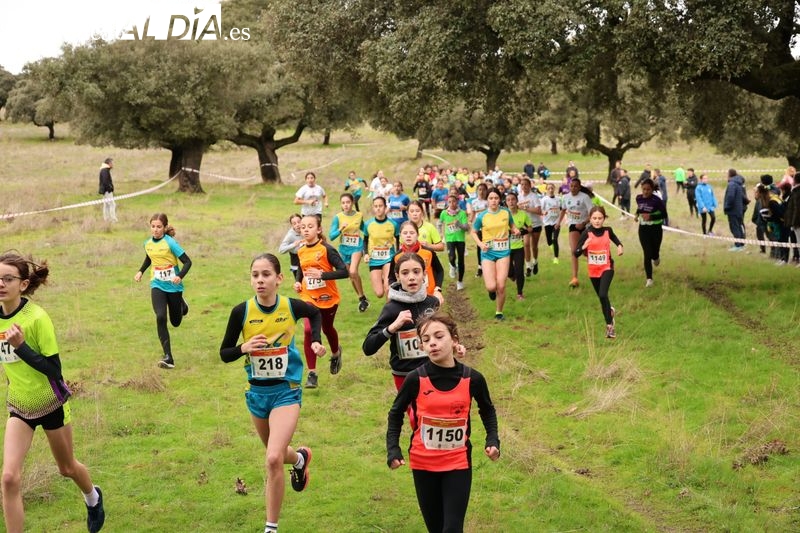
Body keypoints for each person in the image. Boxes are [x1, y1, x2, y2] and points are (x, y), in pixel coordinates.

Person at [0, 252, 105, 533]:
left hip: (51, 403)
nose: (1, 284)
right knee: (9, 478)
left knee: (67, 468)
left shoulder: (37, 318)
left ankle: (93, 497)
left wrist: (21, 347)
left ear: (22, 284)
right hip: (20, 407)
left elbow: (54, 370)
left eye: (7, 278)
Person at [218, 253, 322, 533]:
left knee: (273, 459)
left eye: (266, 274)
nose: (260, 280)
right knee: (276, 453)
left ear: (279, 278)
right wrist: (244, 347)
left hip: (286, 391)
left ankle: (270, 528)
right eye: (255, 275)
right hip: (257, 395)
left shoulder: (290, 306)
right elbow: (224, 353)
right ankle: (299, 459)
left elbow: (314, 312)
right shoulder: (241, 312)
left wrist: (315, 340)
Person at [386, 312, 500, 533]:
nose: (433, 343)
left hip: (457, 462)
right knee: (436, 529)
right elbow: (395, 413)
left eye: (439, 337)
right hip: (423, 462)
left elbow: (488, 410)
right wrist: (393, 449)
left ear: (454, 339)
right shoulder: (415, 379)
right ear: (421, 346)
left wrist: (492, 439)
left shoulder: (473, 378)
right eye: (426, 339)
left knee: (452, 529)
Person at [363, 253, 441, 390]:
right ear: (397, 276)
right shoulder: (391, 309)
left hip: (433, 371)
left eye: (416, 272)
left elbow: (442, 335)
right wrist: (392, 328)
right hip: (405, 376)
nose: (411, 277)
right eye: (405, 273)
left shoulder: (432, 303)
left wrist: (454, 346)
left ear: (424, 274)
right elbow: (368, 348)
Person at [294, 215, 348, 389]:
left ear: (318, 229)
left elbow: (344, 272)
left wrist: (322, 275)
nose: (306, 229)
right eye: (303, 227)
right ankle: (312, 373)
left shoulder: (327, 249)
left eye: (310, 226)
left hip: (328, 298)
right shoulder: (301, 250)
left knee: (327, 328)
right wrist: (297, 281)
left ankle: (335, 353)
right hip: (308, 296)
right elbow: (301, 269)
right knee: (308, 330)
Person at [134, 213, 191, 369]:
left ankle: (182, 305)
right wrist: (140, 271)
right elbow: (150, 258)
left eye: (159, 227)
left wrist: (179, 276)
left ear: (165, 228)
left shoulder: (170, 243)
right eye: (153, 226)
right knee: (160, 316)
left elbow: (187, 262)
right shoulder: (147, 244)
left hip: (174, 286)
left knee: (176, 322)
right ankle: (168, 357)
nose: (155, 230)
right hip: (157, 284)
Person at [574, 207, 624, 338]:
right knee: (603, 299)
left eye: (600, 218)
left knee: (602, 294)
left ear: (604, 218)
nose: (597, 221)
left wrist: (620, 247)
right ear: (590, 219)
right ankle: (610, 311)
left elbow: (617, 241)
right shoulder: (586, 233)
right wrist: (583, 247)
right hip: (593, 270)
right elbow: (576, 253)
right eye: (594, 218)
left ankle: (610, 327)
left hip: (607, 267)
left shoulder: (608, 230)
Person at [471, 188, 520, 320]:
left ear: (500, 199)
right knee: (492, 286)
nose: (493, 201)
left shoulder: (505, 212)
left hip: (503, 252)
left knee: (501, 285)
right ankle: (491, 291)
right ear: (487, 200)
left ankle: (499, 312)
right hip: (488, 253)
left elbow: (512, 225)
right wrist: (481, 244)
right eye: (491, 198)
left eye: (496, 198)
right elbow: (473, 232)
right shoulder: (482, 216)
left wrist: (515, 230)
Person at [329, 193, 370, 312]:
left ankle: (362, 298)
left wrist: (373, 233)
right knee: (350, 275)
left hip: (357, 246)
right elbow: (331, 236)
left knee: (353, 271)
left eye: (348, 202)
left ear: (352, 203)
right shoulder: (338, 217)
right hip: (344, 249)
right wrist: (340, 229)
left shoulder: (359, 215)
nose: (346, 205)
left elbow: (364, 229)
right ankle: (362, 298)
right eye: (343, 203)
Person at [388, 221, 445, 304]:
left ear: (418, 235)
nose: (408, 235)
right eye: (405, 233)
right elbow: (391, 278)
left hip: (429, 296)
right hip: (407, 299)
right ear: (400, 236)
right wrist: (396, 293)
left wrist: (437, 290)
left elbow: (440, 271)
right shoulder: (397, 257)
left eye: (412, 233)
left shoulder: (429, 252)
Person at [556, 178, 594, 288]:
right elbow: (563, 210)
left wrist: (583, 223)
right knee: (574, 251)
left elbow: (592, 214)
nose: (573, 188)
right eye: (571, 186)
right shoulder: (565, 197)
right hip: (573, 225)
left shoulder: (585, 197)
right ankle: (574, 278)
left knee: (587, 253)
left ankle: (595, 272)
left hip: (586, 226)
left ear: (579, 187)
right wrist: (558, 223)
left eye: (576, 186)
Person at [363, 196, 399, 299]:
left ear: (385, 207)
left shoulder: (393, 224)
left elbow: (398, 240)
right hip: (374, 260)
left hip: (389, 258)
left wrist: (397, 255)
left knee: (388, 288)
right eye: (376, 206)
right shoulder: (368, 224)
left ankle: (389, 310)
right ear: (373, 208)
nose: (378, 208)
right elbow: (365, 240)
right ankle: (383, 278)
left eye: (380, 206)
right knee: (379, 293)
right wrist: (366, 254)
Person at [634, 179, 668, 288]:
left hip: (656, 229)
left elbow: (664, 214)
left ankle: (656, 257)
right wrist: (636, 215)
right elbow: (640, 208)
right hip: (643, 229)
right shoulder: (638, 198)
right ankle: (649, 279)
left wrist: (651, 217)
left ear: (652, 189)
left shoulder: (657, 200)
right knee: (647, 253)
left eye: (648, 189)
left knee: (654, 252)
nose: (645, 191)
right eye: (644, 189)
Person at [505, 191, 532, 300]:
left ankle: (520, 293)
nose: (511, 202)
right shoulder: (503, 215)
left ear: (517, 201)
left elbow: (530, 228)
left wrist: (522, 232)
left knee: (520, 270)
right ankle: (512, 276)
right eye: (508, 200)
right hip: (505, 248)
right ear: (506, 202)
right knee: (508, 272)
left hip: (518, 248)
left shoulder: (523, 214)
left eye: (513, 199)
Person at [439, 195, 470, 290]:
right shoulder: (444, 213)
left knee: (461, 260)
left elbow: (466, 228)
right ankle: (452, 266)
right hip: (449, 239)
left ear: (457, 202)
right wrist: (440, 234)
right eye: (449, 202)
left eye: (454, 201)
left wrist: (459, 224)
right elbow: (439, 223)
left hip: (460, 239)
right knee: (451, 257)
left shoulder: (462, 213)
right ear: (447, 203)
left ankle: (460, 281)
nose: (452, 204)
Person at [517, 178, 543, 277]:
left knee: (534, 246)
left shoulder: (534, 196)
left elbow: (539, 211)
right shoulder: (519, 197)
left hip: (535, 224)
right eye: (522, 184)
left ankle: (535, 261)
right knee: (526, 244)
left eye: (526, 184)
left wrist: (525, 208)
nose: (524, 186)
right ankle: (528, 266)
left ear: (529, 186)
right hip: (525, 225)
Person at [723, 169, 748, 251]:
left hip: (733, 210)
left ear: (729, 174)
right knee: (739, 226)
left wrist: (727, 206)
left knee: (734, 227)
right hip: (739, 209)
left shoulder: (732, 184)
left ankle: (738, 245)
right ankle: (741, 244)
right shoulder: (739, 183)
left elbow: (730, 196)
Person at [278, 214, 304, 282]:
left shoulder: (306, 230)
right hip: (297, 266)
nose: (297, 225)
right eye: (294, 223)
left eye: (299, 222)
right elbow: (281, 250)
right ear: (292, 226)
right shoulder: (290, 235)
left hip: (307, 263)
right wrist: (293, 245)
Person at [541, 183, 561, 264]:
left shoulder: (558, 199)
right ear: (546, 190)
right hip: (547, 223)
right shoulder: (544, 199)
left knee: (555, 239)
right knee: (549, 241)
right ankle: (551, 245)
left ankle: (556, 258)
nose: (550, 190)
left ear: (554, 189)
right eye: (549, 188)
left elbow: (562, 209)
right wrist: (543, 212)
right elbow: (540, 209)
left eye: (552, 188)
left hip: (556, 222)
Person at [98, 157, 117, 223]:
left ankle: (107, 219)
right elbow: (105, 182)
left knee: (106, 205)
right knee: (112, 204)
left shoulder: (105, 170)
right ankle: (113, 219)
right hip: (107, 191)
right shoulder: (105, 171)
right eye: (112, 163)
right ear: (109, 163)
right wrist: (110, 188)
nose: (113, 164)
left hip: (105, 191)